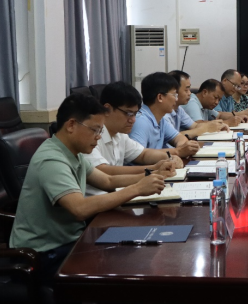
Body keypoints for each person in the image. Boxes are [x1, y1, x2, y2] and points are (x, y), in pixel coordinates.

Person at [10, 94, 166, 285]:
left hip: (70, 241)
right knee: (124, 268)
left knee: (132, 254)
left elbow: (107, 180)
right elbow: (79, 209)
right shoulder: (52, 159)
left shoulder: (73, 153)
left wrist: (151, 174)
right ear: (71, 125)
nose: (99, 136)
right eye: (95, 130)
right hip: (45, 254)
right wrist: (137, 189)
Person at [84, 81, 180, 196]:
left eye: (135, 114)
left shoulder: (120, 134)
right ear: (107, 109)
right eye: (128, 113)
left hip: (116, 195)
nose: (133, 120)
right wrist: (154, 168)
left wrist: (168, 158)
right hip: (98, 200)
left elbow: (143, 154)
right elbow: (103, 171)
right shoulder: (91, 135)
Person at [129, 72, 200, 157]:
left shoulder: (160, 119)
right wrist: (178, 151)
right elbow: (139, 155)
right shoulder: (140, 121)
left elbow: (179, 137)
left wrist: (183, 148)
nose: (176, 99)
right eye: (174, 95)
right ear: (160, 97)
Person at [166, 70, 229, 137]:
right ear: (174, 91)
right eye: (186, 90)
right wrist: (205, 128)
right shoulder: (164, 114)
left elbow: (195, 125)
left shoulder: (179, 109)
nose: (189, 93)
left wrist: (217, 125)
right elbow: (172, 137)